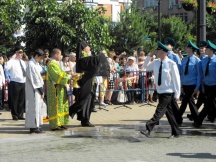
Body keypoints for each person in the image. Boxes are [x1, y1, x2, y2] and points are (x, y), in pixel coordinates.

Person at [141, 41, 181, 138]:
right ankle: (176, 132)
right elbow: (145, 67)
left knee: (159, 111)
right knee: (169, 113)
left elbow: (176, 80)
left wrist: (177, 94)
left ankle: (148, 128)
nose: (156, 52)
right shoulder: (155, 62)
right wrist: (149, 56)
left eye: (158, 50)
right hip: (160, 91)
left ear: (163, 52)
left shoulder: (171, 64)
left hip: (168, 92)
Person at [69, 41, 109, 127]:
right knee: (84, 100)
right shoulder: (83, 56)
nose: (89, 48)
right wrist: (99, 57)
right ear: (84, 48)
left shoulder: (86, 57)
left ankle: (85, 120)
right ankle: (72, 111)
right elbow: (90, 62)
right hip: (85, 83)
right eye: (88, 46)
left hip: (90, 82)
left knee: (89, 101)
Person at [46, 48, 72, 130]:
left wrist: (67, 74)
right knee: (56, 106)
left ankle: (61, 123)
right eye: (60, 54)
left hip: (60, 88)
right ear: (56, 55)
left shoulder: (56, 64)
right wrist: (69, 76)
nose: (61, 56)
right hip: (55, 90)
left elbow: (61, 73)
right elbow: (57, 76)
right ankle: (55, 125)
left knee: (61, 106)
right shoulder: (51, 65)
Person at [193, 40, 216, 127]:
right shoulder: (203, 61)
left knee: (207, 104)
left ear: (211, 50)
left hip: (214, 86)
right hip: (206, 85)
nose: (205, 49)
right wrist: (201, 86)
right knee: (212, 104)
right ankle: (212, 116)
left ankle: (199, 121)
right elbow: (201, 75)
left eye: (207, 48)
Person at [178, 41, 201, 124]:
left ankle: (178, 117)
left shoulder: (196, 60)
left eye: (187, 47)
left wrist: (197, 87)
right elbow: (181, 73)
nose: (185, 48)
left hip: (192, 83)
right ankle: (197, 119)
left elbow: (199, 75)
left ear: (191, 49)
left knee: (185, 101)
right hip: (185, 83)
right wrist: (181, 85)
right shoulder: (184, 60)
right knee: (189, 102)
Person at [25, 49, 46, 133]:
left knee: (39, 107)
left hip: (38, 88)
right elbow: (35, 79)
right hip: (34, 89)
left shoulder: (37, 64)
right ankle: (33, 127)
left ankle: (37, 125)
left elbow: (41, 74)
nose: (41, 59)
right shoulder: (31, 64)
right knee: (33, 107)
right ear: (36, 56)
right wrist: (41, 91)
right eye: (40, 58)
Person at [4, 46, 26, 121]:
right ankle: (15, 114)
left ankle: (20, 114)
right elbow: (6, 67)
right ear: (16, 53)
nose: (21, 54)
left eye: (22, 53)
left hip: (23, 82)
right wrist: (11, 58)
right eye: (19, 53)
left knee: (21, 100)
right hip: (15, 82)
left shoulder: (23, 62)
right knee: (15, 100)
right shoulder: (12, 61)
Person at [164, 37, 182, 124]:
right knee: (169, 103)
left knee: (171, 102)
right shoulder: (164, 55)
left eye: (168, 45)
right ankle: (177, 119)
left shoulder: (175, 57)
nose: (166, 46)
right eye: (165, 44)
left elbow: (179, 70)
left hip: (172, 82)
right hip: (165, 82)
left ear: (171, 47)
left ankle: (178, 119)